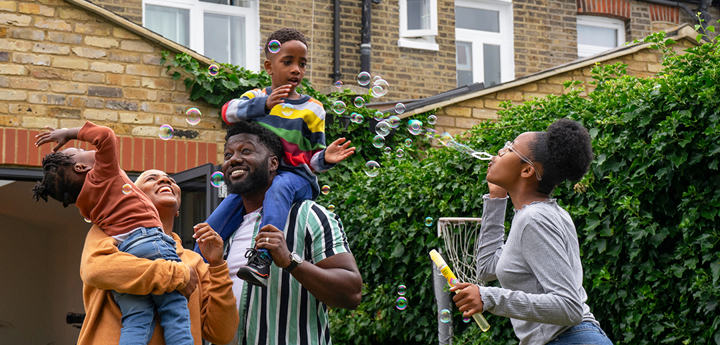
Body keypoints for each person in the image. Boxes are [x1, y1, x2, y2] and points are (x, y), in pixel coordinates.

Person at [451, 119, 613, 345]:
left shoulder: (534, 219)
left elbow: (570, 306)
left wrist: (489, 297)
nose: (499, 151)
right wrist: (497, 200)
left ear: (527, 170)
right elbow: (487, 268)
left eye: (509, 148)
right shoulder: (536, 215)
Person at [216, 27, 355, 287]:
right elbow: (227, 113)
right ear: (269, 66)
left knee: (278, 187)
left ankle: (261, 260)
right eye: (287, 62)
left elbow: (312, 160)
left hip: (295, 177)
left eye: (302, 64)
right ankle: (192, 267)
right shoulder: (255, 98)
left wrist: (326, 157)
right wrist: (265, 105)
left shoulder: (313, 108)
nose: (296, 70)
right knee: (220, 216)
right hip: (260, 178)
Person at [32, 122, 194, 345]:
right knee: (174, 309)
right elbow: (106, 136)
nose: (88, 150)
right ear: (81, 168)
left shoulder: (86, 205)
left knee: (136, 318)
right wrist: (68, 133)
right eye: (80, 150)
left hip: (125, 251)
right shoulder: (102, 175)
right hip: (151, 242)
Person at [206, 120, 362, 345]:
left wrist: (290, 261)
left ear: (273, 163)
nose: (234, 159)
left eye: (246, 151)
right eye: (228, 154)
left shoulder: (309, 216)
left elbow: (352, 293)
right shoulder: (221, 230)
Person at [75, 168, 239, 345]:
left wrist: (217, 264)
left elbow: (221, 334)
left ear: (177, 209)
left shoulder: (194, 261)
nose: (165, 181)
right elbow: (97, 270)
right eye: (151, 179)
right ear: (132, 199)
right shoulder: (108, 234)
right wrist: (177, 275)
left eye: (171, 180)